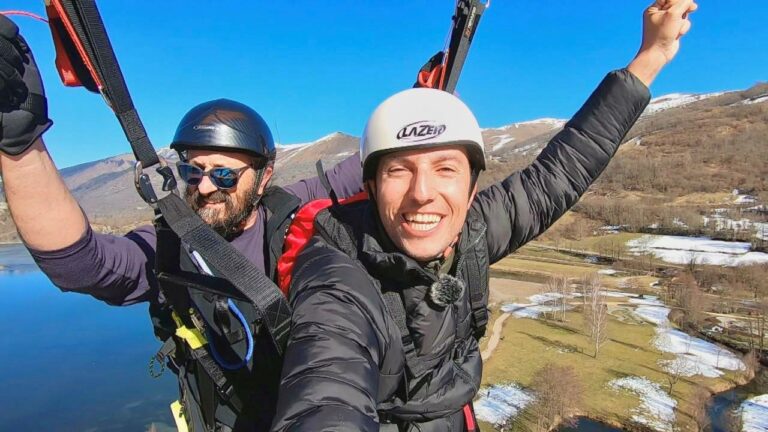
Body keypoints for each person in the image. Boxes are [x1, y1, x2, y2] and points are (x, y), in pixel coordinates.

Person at [270, 1, 698, 430]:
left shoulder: (472, 232)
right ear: (370, 187)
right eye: (399, 171)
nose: (422, 194)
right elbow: (326, 384)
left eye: (445, 170)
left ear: (471, 189)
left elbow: (560, 174)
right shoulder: (337, 275)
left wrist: (652, 55)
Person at [0, 15, 362, 431]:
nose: (205, 187)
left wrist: (422, 94)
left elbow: (382, 157)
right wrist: (20, 145)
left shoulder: (292, 207)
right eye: (193, 171)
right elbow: (80, 265)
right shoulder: (171, 246)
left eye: (224, 175)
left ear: (264, 178)